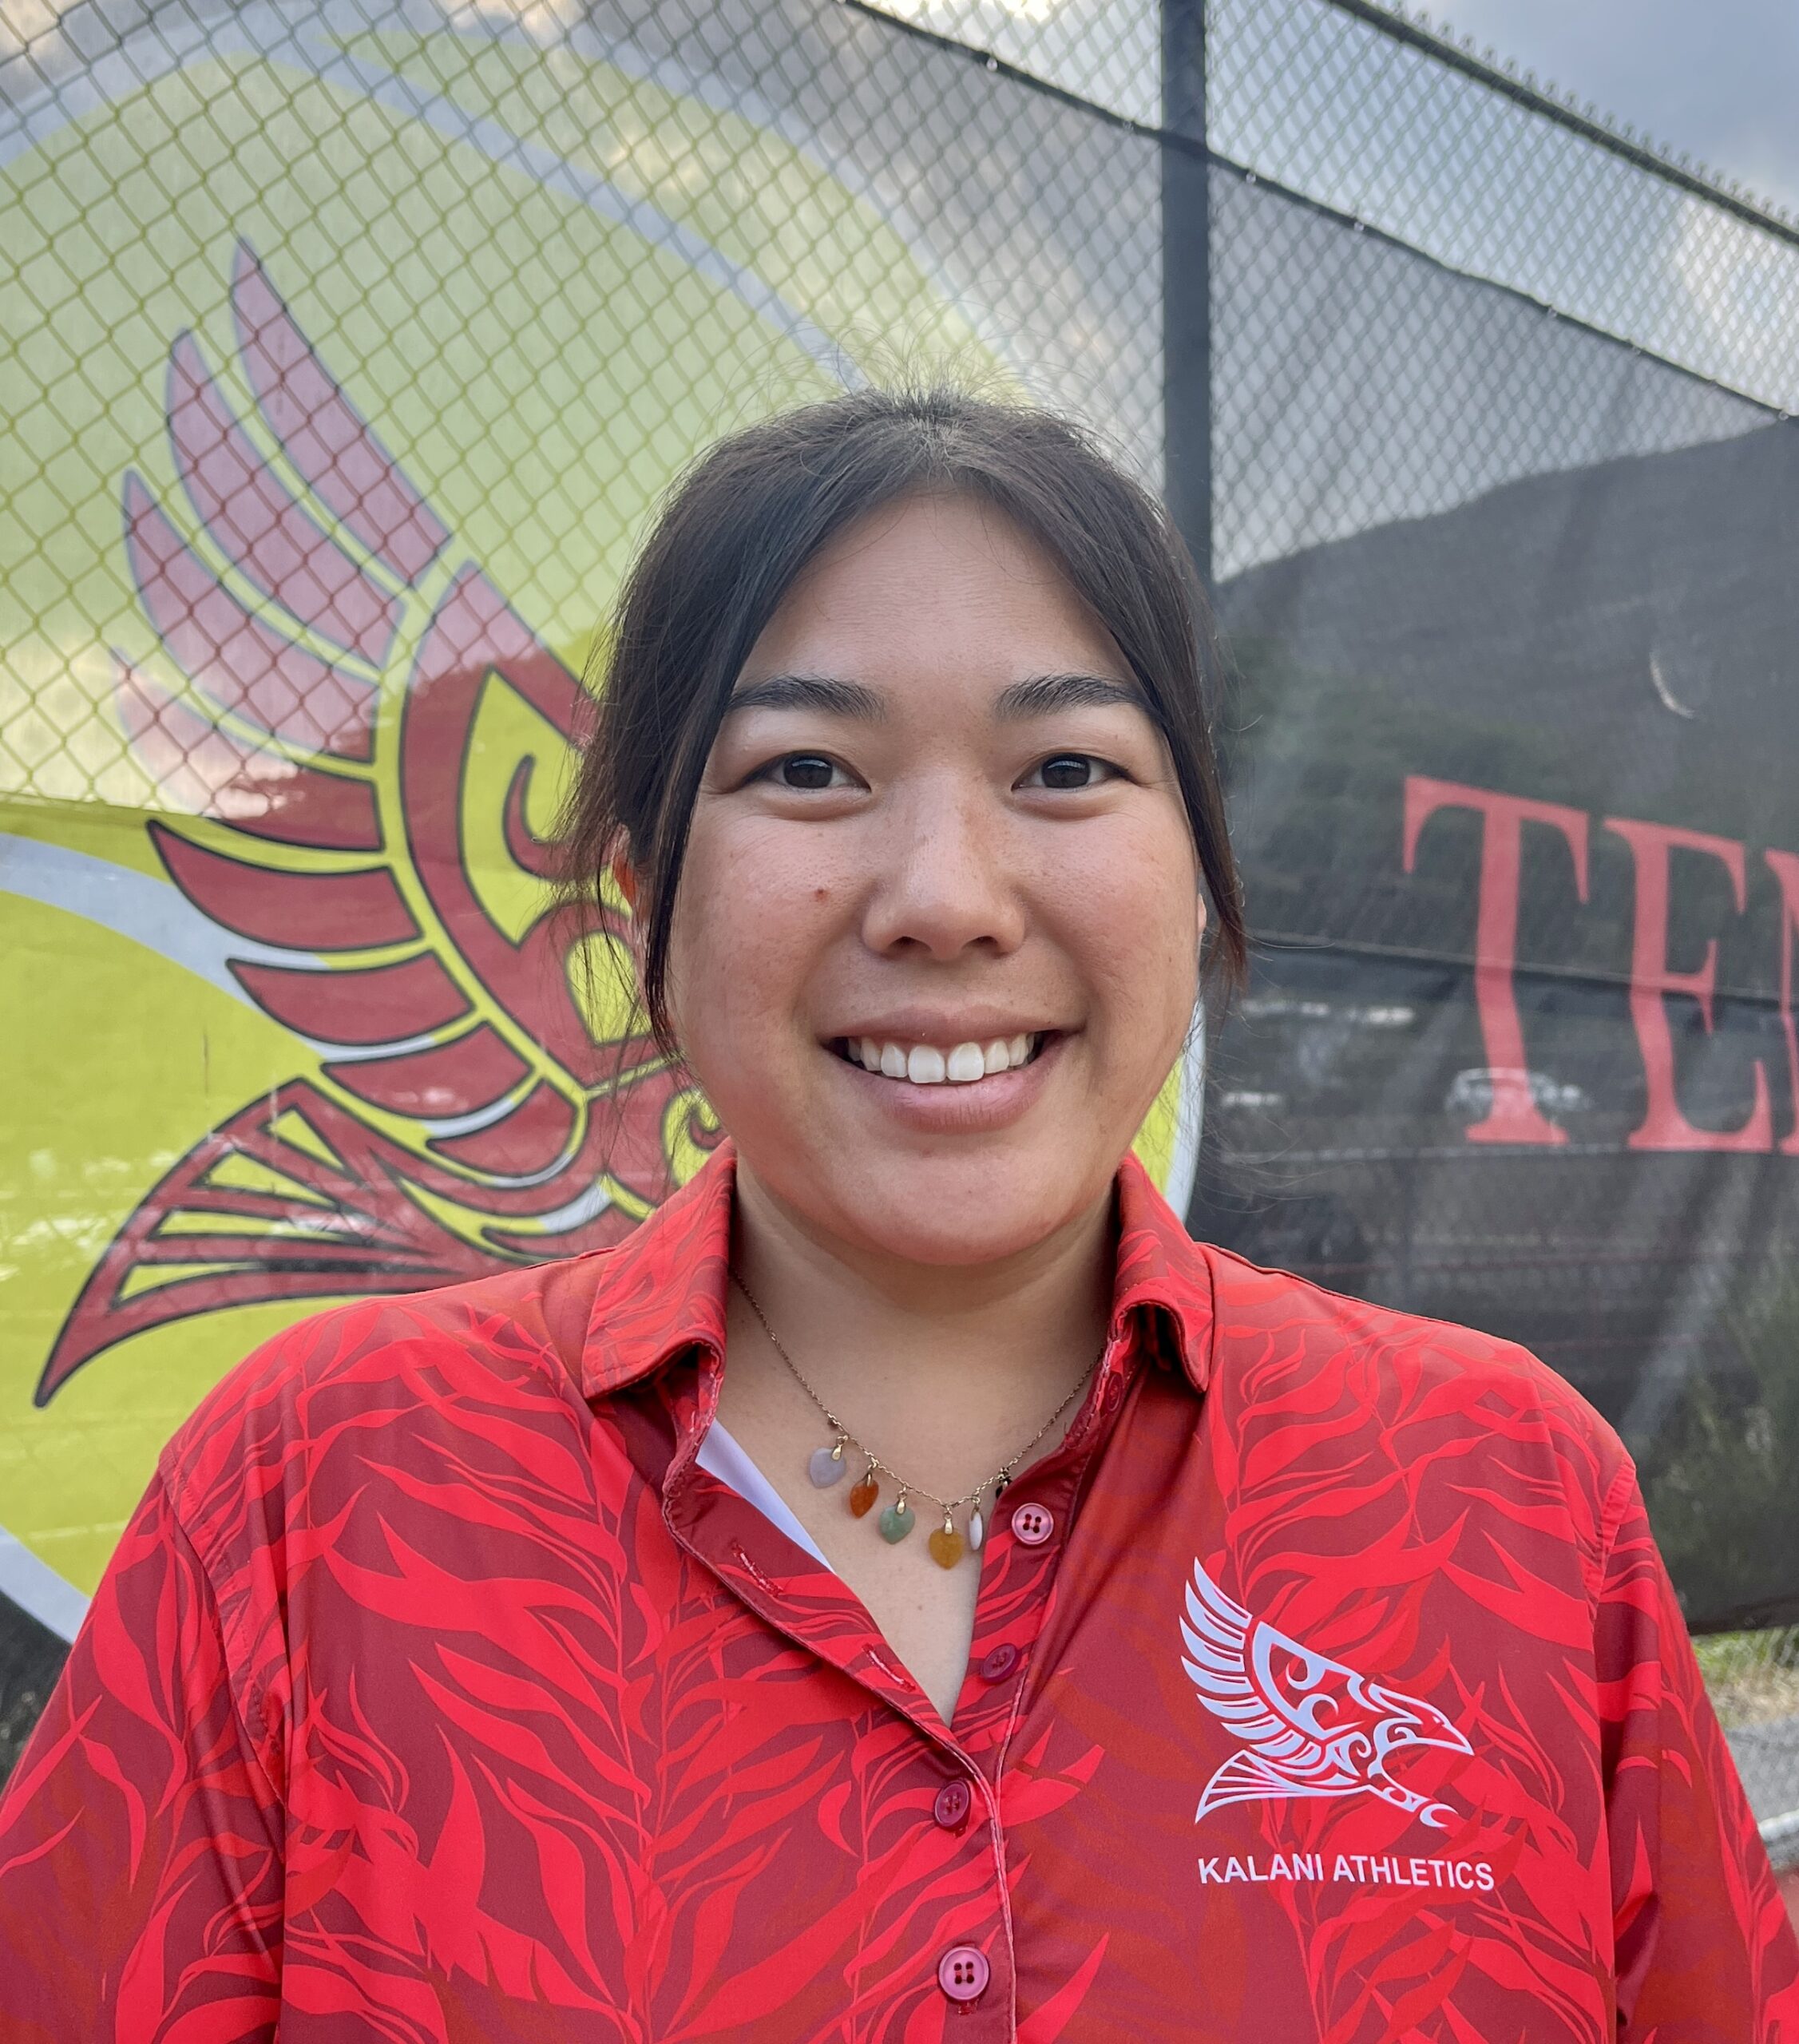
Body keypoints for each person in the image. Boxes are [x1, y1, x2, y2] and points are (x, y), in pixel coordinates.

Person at [1, 387, 1793, 2041]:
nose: (943, 896)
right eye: (807, 773)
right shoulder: (315, 1504)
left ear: (1197, 872)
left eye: (1066, 771)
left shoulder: (1506, 1504)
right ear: (648, 893)